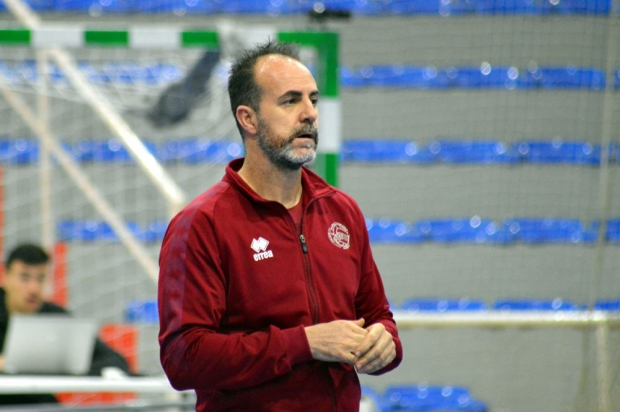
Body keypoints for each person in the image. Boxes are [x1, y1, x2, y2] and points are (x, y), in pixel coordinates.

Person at [158, 40, 403, 411]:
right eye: (290, 101)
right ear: (248, 118)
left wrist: (385, 341)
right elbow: (183, 358)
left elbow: (378, 316)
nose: (309, 114)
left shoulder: (341, 211)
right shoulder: (202, 224)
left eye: (313, 100)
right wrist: (303, 343)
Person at [0, 243, 131, 405]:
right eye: (24, 278)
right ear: (5, 277)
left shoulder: (57, 318)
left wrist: (70, 366)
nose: (33, 288)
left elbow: (114, 360)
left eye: (40, 278)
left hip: (37, 403)